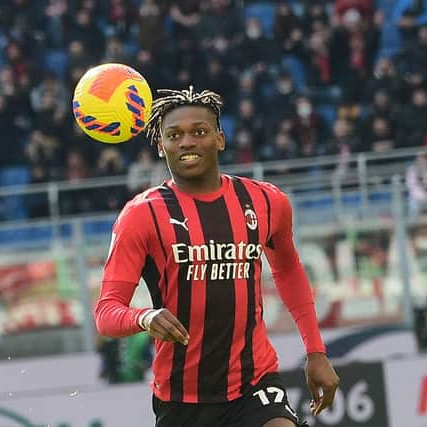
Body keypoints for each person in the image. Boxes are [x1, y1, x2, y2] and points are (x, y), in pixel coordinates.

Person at [94, 87, 339, 427]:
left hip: (254, 382)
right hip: (182, 398)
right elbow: (106, 313)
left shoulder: (267, 202)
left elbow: (288, 271)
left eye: (199, 131)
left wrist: (315, 350)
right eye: (174, 135)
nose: (187, 142)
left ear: (220, 139)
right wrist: (145, 318)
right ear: (161, 145)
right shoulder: (141, 215)